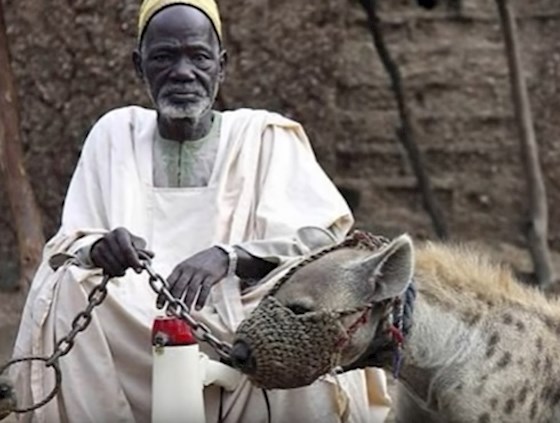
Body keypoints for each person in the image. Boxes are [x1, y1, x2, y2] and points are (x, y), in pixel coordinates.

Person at [11, 1, 392, 421]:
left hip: (237, 315)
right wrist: (101, 249)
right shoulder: (114, 133)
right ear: (139, 67)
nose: (182, 72)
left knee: (302, 313)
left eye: (198, 56)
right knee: (65, 287)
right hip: (128, 320)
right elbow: (70, 243)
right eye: (164, 57)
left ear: (221, 66)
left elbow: (320, 243)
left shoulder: (263, 136)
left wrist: (227, 257)